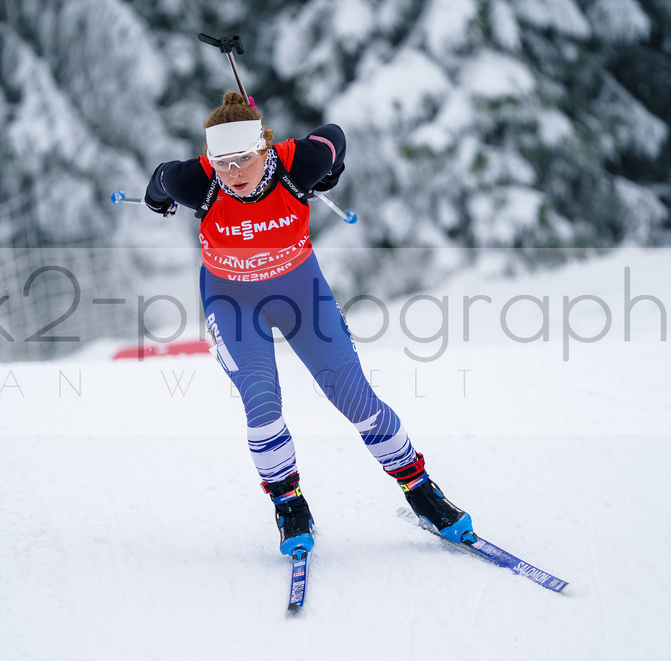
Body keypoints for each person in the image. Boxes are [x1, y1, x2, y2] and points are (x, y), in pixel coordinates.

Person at [144, 91, 474, 557]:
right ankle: (289, 505)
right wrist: (157, 198)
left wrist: (331, 170)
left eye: (244, 159)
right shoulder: (196, 180)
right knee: (261, 403)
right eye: (222, 163)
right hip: (232, 299)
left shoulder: (298, 163)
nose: (234, 173)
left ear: (265, 149)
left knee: (354, 396)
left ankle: (421, 492)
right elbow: (161, 179)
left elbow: (334, 138)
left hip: (300, 293)